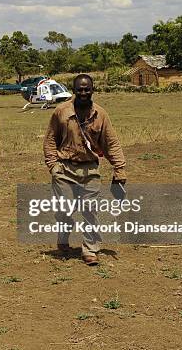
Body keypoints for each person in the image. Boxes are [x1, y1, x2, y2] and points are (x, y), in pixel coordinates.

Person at [43, 74, 126, 266]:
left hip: (90, 170)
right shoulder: (61, 112)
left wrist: (119, 169)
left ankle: (90, 249)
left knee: (90, 210)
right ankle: (64, 230)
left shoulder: (100, 114)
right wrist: (53, 166)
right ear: (74, 90)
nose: (83, 93)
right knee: (64, 209)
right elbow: (49, 140)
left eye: (86, 89)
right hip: (64, 169)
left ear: (92, 90)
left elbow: (111, 143)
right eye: (79, 89)